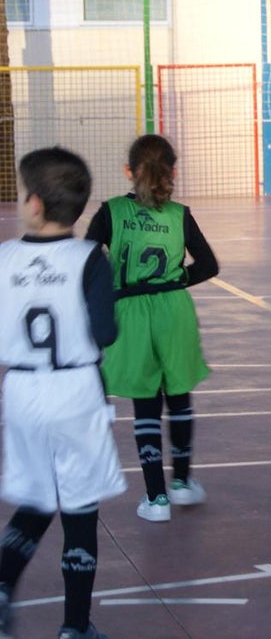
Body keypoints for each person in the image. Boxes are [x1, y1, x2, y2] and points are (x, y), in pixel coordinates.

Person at [0, 147, 124, 639]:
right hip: (75, 391)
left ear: (33, 203)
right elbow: (105, 332)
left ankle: (2, 585)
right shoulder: (89, 258)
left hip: (22, 391)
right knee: (79, 510)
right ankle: (75, 627)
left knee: (36, 499)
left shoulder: (5, 258)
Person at [86, 134, 218, 523]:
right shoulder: (179, 214)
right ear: (173, 171)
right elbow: (209, 265)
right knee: (178, 395)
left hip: (129, 310)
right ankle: (182, 483)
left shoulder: (111, 212)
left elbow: (85, 261)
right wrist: (175, 281)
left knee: (145, 402)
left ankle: (156, 498)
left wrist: (110, 290)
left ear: (129, 171)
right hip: (174, 309)